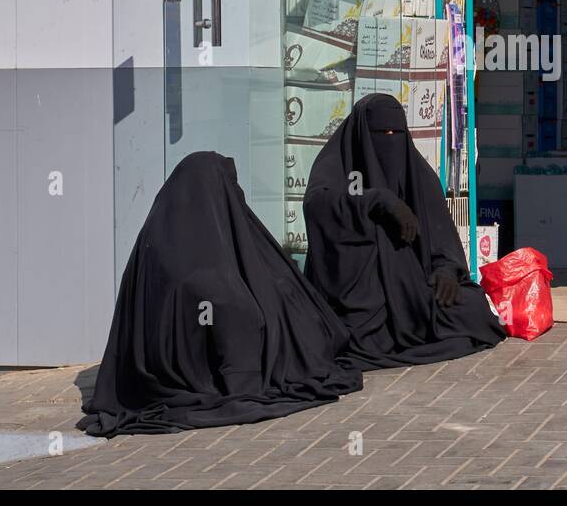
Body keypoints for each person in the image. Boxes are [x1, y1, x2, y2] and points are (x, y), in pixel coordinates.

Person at [79, 153, 362, 437]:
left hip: (158, 362)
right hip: (199, 366)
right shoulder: (201, 253)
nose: (234, 195)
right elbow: (231, 307)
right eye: (228, 186)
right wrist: (244, 379)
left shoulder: (161, 233)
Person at [304, 93, 506, 369]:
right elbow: (319, 205)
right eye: (380, 133)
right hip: (362, 297)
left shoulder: (418, 175)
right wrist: (375, 200)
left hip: (412, 290)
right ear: (362, 136)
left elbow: (441, 237)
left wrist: (446, 269)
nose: (389, 141)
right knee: (348, 334)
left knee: (473, 308)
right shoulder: (340, 166)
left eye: (395, 133)